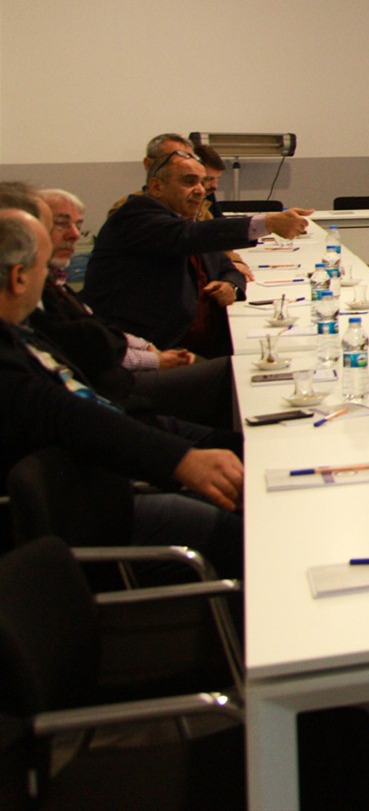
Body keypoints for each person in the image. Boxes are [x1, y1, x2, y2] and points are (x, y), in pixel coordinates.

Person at [0, 209, 243, 578]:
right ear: (19, 277)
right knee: (241, 533)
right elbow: (66, 412)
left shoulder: (19, 331)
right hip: (86, 506)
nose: (48, 279)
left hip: (101, 469)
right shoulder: (11, 349)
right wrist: (181, 460)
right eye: (43, 267)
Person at [30, 188, 237, 429]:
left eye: (78, 225)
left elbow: (99, 327)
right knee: (233, 374)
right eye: (61, 224)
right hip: (112, 389)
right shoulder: (37, 293)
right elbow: (92, 351)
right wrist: (154, 360)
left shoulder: (56, 281)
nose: (75, 234)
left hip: (132, 364)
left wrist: (147, 348)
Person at [85, 149, 312, 350]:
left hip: (210, 339)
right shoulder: (135, 216)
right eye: (189, 181)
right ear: (156, 187)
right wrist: (267, 223)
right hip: (159, 348)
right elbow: (187, 237)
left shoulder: (187, 221)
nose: (200, 190)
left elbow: (226, 266)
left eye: (203, 182)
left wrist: (231, 286)